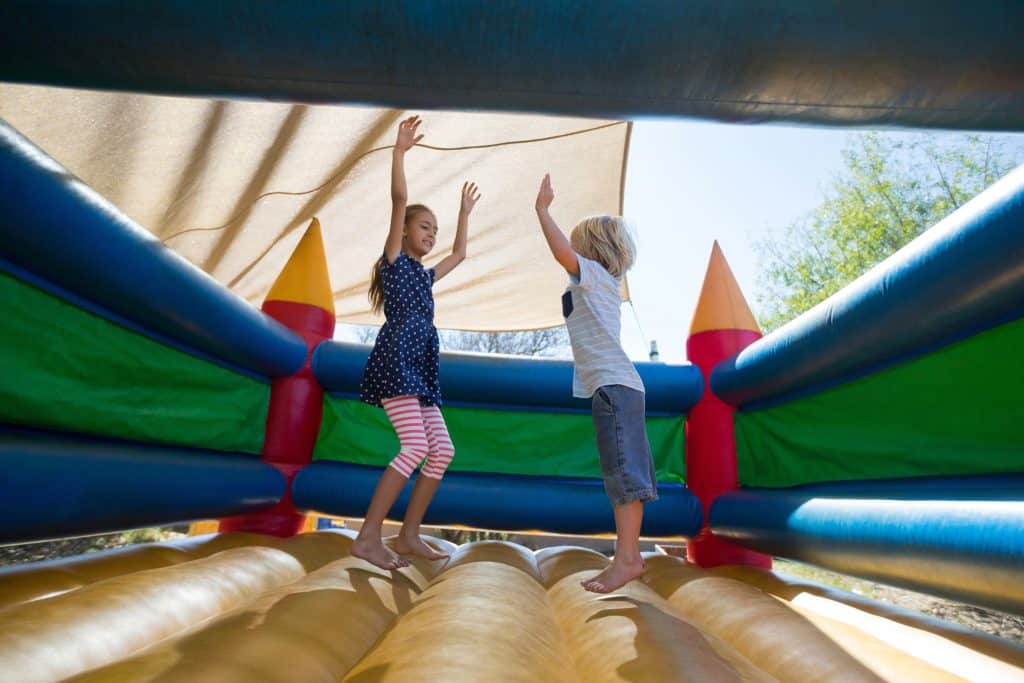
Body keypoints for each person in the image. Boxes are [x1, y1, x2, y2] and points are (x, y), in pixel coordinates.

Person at [352, 115, 481, 570]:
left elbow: (460, 255)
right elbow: (400, 198)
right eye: (425, 227)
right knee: (415, 447)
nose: (431, 234)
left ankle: (408, 534)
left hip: (421, 367)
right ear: (404, 232)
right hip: (396, 360)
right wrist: (400, 152)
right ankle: (368, 536)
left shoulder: (425, 277)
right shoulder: (394, 262)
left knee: (441, 449)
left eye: (434, 230)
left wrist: (464, 215)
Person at [534, 173, 657, 593]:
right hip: (615, 388)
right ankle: (628, 556)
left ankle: (627, 559)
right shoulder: (597, 282)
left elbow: (560, 253)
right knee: (624, 475)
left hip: (613, 388)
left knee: (624, 477)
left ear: (591, 250)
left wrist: (543, 210)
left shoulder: (593, 275)